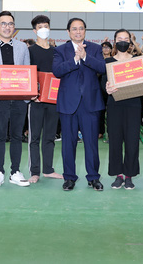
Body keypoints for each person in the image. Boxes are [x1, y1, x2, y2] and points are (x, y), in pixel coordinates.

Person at [53, 18, 106, 191]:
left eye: (81, 28)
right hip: (68, 104)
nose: (78, 31)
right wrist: (75, 60)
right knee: (68, 144)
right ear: (68, 32)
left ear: (85, 31)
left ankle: (93, 177)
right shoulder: (60, 50)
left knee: (91, 143)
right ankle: (69, 177)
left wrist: (85, 57)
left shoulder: (95, 49)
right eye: (74, 29)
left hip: (90, 103)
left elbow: (103, 68)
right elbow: (57, 71)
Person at [0, 11, 31, 188]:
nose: (7, 27)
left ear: (14, 27)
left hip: (19, 98)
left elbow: (27, 71)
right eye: (3, 23)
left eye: (10, 24)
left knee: (17, 135)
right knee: (0, 135)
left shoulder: (22, 47)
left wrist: (30, 90)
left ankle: (15, 172)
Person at [104, 29, 143, 190]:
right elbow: (103, 84)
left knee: (132, 141)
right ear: (115, 41)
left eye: (126, 39)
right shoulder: (108, 62)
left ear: (130, 43)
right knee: (115, 141)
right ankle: (118, 175)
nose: (123, 42)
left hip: (133, 106)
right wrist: (107, 89)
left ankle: (129, 175)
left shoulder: (137, 62)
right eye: (120, 38)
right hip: (115, 105)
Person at [27, 15, 62, 183]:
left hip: (53, 99)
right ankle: (34, 171)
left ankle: (48, 169)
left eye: (46, 26)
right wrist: (32, 93)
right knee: (34, 137)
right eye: (40, 27)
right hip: (36, 100)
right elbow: (27, 75)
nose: (44, 29)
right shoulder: (30, 51)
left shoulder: (56, 51)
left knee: (50, 136)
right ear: (35, 31)